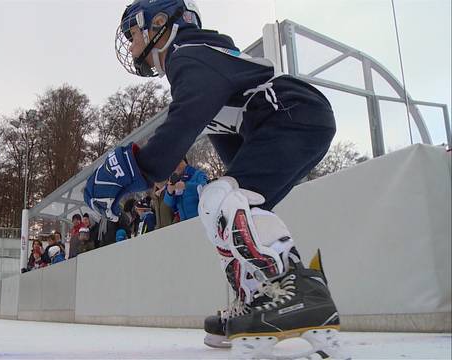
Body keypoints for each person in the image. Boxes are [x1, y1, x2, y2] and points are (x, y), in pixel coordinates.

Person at [84, 0, 341, 357]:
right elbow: (228, 146)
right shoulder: (203, 59)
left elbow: (183, 121)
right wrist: (235, 197)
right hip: (292, 119)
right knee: (214, 205)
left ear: (159, 23)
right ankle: (259, 299)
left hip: (293, 114)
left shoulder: (188, 54)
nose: (131, 46)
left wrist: (139, 167)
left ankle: (300, 290)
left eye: (132, 34)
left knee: (219, 198)